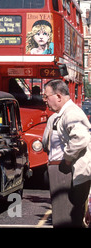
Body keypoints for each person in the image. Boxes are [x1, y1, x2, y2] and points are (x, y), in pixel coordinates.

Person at [41, 79, 91, 227]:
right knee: (71, 218)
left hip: (74, 172)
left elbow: (81, 139)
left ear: (58, 96)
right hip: (71, 171)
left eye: (46, 96)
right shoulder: (64, 113)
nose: (45, 100)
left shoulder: (71, 113)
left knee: (68, 219)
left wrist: (67, 159)